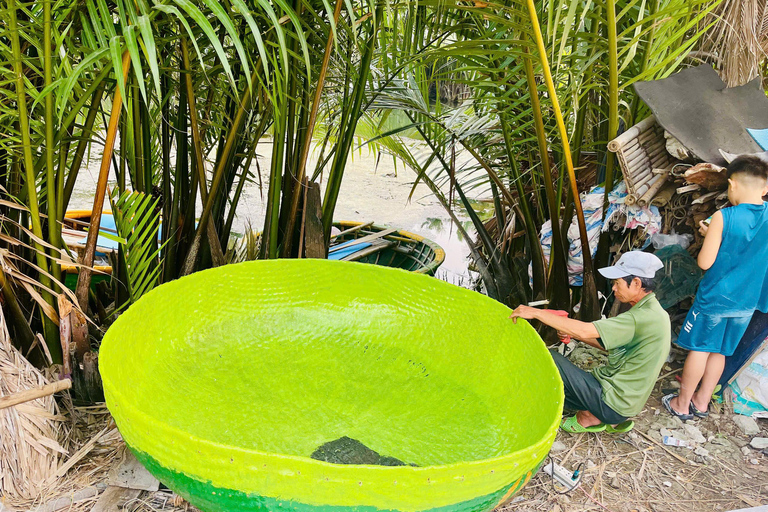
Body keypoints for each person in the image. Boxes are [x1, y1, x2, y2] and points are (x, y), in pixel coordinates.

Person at [510, 251, 670, 433]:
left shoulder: (641, 317)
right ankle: (594, 415)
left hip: (612, 403)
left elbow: (585, 329)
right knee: (556, 393)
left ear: (636, 283)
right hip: (623, 404)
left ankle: (590, 416)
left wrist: (537, 313)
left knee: (550, 357)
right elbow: (607, 344)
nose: (614, 289)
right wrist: (575, 334)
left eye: (617, 283)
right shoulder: (653, 312)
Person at [664, 155, 768, 421]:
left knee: (700, 348)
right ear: (765, 189)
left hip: (716, 298)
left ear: (731, 185)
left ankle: (682, 403)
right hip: (747, 302)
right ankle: (702, 402)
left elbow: (705, 262)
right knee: (720, 351)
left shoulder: (724, 216)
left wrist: (707, 234)